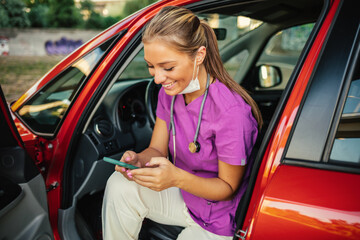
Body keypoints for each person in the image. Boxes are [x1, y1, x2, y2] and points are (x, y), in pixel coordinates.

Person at [102, 6, 262, 240]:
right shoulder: (169, 94)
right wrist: (138, 160)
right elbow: (157, 149)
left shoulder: (231, 112)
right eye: (151, 66)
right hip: (185, 196)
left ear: (199, 55)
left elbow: (227, 189)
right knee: (119, 184)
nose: (157, 78)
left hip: (217, 218)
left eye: (167, 68)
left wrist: (175, 178)